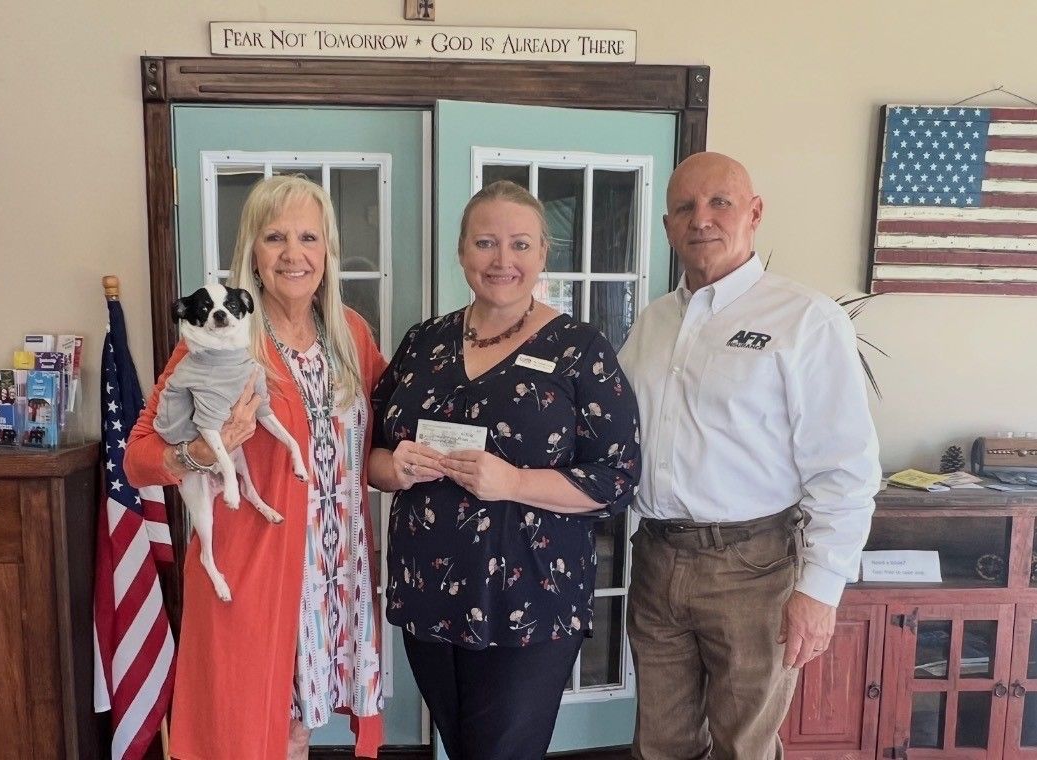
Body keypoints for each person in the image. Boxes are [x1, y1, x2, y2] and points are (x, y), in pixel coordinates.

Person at [618, 152, 881, 760]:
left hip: (754, 569)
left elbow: (844, 467)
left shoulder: (804, 320)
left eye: (720, 203)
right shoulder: (653, 324)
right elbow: (613, 436)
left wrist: (819, 592)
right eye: (685, 207)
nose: (701, 219)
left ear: (754, 213)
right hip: (657, 559)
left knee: (746, 747)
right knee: (660, 744)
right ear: (666, 226)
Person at [369, 180, 641, 760]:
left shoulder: (580, 349)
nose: (502, 260)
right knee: (464, 747)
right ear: (463, 252)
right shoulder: (425, 341)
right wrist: (394, 467)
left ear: (544, 253)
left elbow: (618, 476)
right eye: (486, 242)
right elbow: (368, 453)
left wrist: (514, 483)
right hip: (430, 592)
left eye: (520, 244)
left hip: (532, 596)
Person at [125, 175, 387, 760]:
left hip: (331, 567)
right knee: (255, 732)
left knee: (298, 727)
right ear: (252, 252)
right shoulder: (222, 344)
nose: (294, 254)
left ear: (328, 252)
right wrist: (198, 452)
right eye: (275, 238)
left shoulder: (351, 334)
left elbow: (384, 427)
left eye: (308, 237)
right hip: (253, 569)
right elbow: (138, 458)